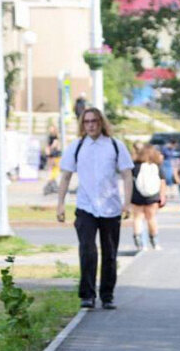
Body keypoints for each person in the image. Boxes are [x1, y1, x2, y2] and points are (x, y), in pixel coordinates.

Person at [56, 108, 135, 310]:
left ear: (102, 123)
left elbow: (127, 175)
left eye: (94, 121)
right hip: (86, 206)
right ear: (82, 125)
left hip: (111, 207)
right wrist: (60, 204)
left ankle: (107, 295)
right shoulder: (77, 147)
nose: (91, 125)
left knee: (110, 253)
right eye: (87, 122)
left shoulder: (115, 146)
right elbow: (65, 176)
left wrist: (127, 202)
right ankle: (87, 295)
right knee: (88, 251)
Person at [130, 144, 167, 251]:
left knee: (137, 218)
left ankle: (139, 243)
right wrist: (162, 196)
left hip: (137, 195)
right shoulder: (156, 166)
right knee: (151, 218)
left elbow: (130, 181)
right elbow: (162, 181)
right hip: (153, 196)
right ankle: (155, 242)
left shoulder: (135, 166)